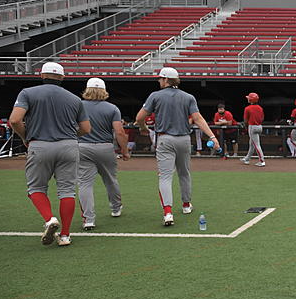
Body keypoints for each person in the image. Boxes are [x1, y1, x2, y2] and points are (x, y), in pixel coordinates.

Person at [9, 61, 91, 246]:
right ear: (62, 77)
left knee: (36, 188)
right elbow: (86, 128)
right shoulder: (74, 99)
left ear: (41, 75)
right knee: (67, 191)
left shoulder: (27, 93)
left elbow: (15, 120)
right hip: (69, 146)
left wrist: (25, 136)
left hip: (40, 144)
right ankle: (65, 235)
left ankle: (49, 219)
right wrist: (70, 136)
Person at [135, 67, 219, 227]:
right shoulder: (188, 97)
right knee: (184, 173)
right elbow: (199, 119)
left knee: (165, 177)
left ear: (166, 79)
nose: (159, 81)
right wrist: (212, 136)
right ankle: (186, 205)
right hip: (184, 139)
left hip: (165, 139)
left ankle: (168, 212)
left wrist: (144, 128)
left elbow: (139, 117)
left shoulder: (155, 96)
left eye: (160, 78)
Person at [77, 78, 129, 231]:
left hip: (82, 146)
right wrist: (125, 151)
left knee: (85, 183)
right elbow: (119, 131)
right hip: (105, 147)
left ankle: (88, 219)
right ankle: (116, 208)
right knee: (110, 179)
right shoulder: (112, 108)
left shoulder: (78, 106)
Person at [241, 92, 266, 167]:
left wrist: (245, 127)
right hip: (259, 126)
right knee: (252, 144)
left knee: (256, 145)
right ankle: (247, 159)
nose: (248, 99)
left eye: (249, 98)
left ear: (251, 100)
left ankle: (262, 161)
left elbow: (245, 120)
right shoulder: (260, 108)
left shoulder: (247, 108)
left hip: (252, 127)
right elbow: (262, 118)